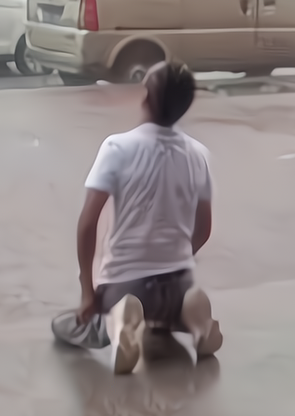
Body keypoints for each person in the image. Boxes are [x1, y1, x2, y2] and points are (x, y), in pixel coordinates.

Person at [51, 62, 222, 374]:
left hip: (123, 282)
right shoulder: (199, 155)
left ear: (146, 98)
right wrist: (179, 256)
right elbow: (204, 228)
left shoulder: (117, 147)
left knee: (64, 325)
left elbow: (88, 224)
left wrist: (88, 292)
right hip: (178, 279)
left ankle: (119, 323)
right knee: (166, 317)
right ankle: (193, 318)